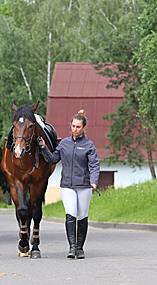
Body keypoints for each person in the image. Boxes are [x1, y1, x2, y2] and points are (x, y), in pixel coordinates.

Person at [38, 110, 99, 259]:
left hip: (84, 186)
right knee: (70, 214)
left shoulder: (89, 145)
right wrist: (44, 148)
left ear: (84, 127)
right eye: (73, 126)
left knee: (82, 216)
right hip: (67, 185)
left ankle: (80, 248)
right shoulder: (64, 143)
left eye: (78, 127)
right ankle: (72, 248)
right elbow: (53, 159)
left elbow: (94, 164)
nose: (75, 129)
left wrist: (94, 181)